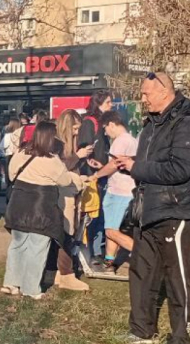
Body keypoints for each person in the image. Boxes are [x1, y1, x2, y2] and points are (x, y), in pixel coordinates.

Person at [114, 72, 190, 344]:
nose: (142, 99)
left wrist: (136, 168)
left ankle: (181, 342)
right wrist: (131, 167)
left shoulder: (187, 125)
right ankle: (141, 330)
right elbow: (150, 166)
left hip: (175, 209)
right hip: (149, 208)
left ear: (166, 92)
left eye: (146, 94)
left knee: (177, 278)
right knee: (140, 271)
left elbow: (180, 170)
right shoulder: (152, 125)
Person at [3, 121, 83, 299]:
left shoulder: (21, 153)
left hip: (19, 202)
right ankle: (30, 288)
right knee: (37, 247)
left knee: (17, 244)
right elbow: (63, 181)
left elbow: (10, 174)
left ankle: (10, 282)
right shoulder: (52, 160)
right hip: (41, 206)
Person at [52, 109, 92, 292]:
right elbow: (58, 170)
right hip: (63, 194)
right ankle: (66, 273)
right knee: (67, 233)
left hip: (72, 191)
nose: (77, 132)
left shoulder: (66, 145)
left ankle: (61, 272)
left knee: (69, 233)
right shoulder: (58, 145)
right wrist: (78, 156)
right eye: (74, 129)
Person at [91, 110, 138, 270]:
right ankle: (110, 261)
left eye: (105, 128)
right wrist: (103, 167)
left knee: (110, 231)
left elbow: (113, 165)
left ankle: (145, 255)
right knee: (113, 227)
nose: (105, 132)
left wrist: (96, 175)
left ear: (112, 124)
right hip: (129, 189)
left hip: (118, 191)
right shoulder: (132, 140)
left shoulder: (119, 141)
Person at [78, 90, 114, 263]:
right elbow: (84, 150)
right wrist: (92, 165)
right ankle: (88, 251)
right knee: (92, 214)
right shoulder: (89, 122)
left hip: (103, 173)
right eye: (108, 102)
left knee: (101, 214)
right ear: (98, 103)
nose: (111, 105)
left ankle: (98, 251)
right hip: (93, 176)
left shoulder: (104, 123)